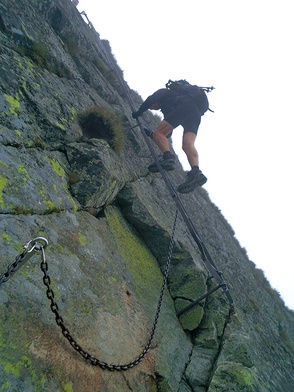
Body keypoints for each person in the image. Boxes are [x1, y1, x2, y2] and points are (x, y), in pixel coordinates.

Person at [132, 86, 207, 193]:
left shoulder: (165, 93)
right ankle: (196, 172)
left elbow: (150, 99)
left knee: (159, 133)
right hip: (195, 113)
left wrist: (139, 112)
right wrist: (150, 134)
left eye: (151, 107)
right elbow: (167, 134)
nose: (152, 108)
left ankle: (168, 158)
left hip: (185, 105)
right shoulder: (168, 107)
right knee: (187, 145)